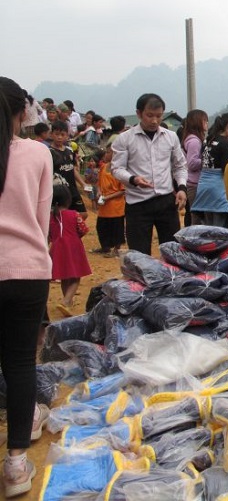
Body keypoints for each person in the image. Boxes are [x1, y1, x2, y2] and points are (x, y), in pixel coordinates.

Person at [0, 77, 53, 498]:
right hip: (27, 270)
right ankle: (17, 464)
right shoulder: (37, 152)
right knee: (19, 364)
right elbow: (41, 215)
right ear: (22, 113)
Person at [111, 93, 187, 255]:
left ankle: (171, 280)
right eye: (149, 115)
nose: (154, 121)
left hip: (166, 202)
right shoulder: (125, 139)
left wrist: (181, 188)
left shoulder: (171, 137)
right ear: (139, 114)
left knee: (172, 251)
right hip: (138, 204)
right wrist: (133, 179)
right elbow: (117, 168)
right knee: (139, 254)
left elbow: (180, 166)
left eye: (159, 116)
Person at [49, 184, 92, 317]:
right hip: (73, 246)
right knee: (75, 277)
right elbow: (83, 229)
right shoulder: (74, 214)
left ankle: (67, 300)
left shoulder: (50, 216)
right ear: (68, 200)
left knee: (64, 276)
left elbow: (49, 234)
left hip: (56, 248)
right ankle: (67, 301)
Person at [191, 113, 228, 228]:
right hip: (218, 189)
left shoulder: (208, 140)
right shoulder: (226, 144)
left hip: (204, 187)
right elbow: (227, 169)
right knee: (220, 229)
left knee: (208, 227)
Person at [49, 120, 88, 220]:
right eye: (57, 134)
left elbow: (72, 169)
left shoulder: (69, 151)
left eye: (62, 134)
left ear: (67, 135)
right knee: (59, 215)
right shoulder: (49, 152)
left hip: (72, 189)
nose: (59, 137)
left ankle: (70, 233)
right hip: (59, 191)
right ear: (51, 134)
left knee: (83, 214)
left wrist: (83, 184)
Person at [94, 145, 126, 257]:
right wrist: (98, 192)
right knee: (101, 226)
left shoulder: (119, 170)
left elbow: (122, 190)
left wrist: (108, 197)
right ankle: (105, 247)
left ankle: (116, 249)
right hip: (104, 204)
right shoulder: (104, 167)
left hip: (115, 205)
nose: (106, 155)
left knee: (116, 227)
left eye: (108, 152)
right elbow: (99, 183)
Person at [181, 109, 209, 226]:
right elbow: (192, 163)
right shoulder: (194, 141)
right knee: (197, 219)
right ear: (197, 122)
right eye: (205, 121)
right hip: (194, 184)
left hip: (194, 183)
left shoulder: (192, 138)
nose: (207, 124)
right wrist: (207, 159)